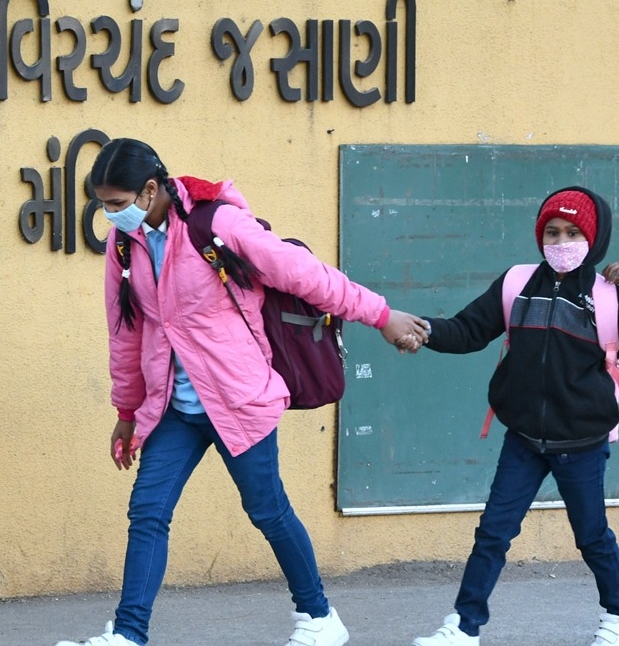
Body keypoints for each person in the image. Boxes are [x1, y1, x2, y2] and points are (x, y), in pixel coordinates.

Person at [54, 138, 430, 646]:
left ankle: (320, 617)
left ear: (149, 189)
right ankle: (128, 635)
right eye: (103, 205)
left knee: (268, 511)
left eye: (117, 204)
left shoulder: (219, 226)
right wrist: (127, 410)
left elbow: (310, 278)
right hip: (173, 409)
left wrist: (382, 316)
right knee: (147, 513)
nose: (110, 216)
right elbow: (125, 333)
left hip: (237, 400)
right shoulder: (127, 245)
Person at [410, 187, 619, 646]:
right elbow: (470, 329)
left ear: (593, 240)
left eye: (573, 233)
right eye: (552, 232)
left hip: (582, 443)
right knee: (493, 532)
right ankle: (463, 626)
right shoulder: (516, 283)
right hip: (523, 439)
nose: (561, 242)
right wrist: (426, 331)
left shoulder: (609, 297)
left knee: (592, 536)